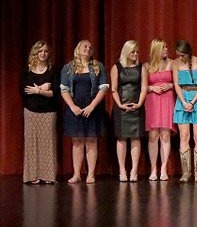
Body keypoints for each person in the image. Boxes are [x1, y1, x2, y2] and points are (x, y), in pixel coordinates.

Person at [60, 40, 108, 184]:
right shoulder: (68, 67)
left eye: (90, 47)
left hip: (93, 108)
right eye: (85, 46)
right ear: (78, 49)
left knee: (92, 141)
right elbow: (64, 89)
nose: (88, 49)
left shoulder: (98, 66)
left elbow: (104, 87)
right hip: (75, 109)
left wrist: (92, 106)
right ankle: (76, 174)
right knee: (77, 142)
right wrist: (72, 106)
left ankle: (91, 174)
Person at [20, 41, 59, 184]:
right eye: (40, 51)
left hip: (48, 111)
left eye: (45, 51)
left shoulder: (52, 71)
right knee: (31, 143)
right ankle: (32, 175)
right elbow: (24, 91)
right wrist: (43, 89)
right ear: (35, 53)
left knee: (47, 143)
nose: (43, 54)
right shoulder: (27, 71)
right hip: (30, 111)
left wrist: (38, 91)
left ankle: (48, 175)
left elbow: (55, 93)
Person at [172, 40, 197, 183]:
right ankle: (186, 172)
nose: (180, 58)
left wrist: (192, 102)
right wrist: (184, 102)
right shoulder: (175, 64)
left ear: (188, 53)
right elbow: (176, 84)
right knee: (184, 136)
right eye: (178, 55)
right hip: (183, 99)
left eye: (182, 55)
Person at [111, 40, 147, 182]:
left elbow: (144, 87)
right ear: (126, 52)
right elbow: (113, 89)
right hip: (121, 108)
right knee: (121, 138)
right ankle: (122, 170)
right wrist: (120, 104)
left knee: (135, 138)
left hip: (136, 107)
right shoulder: (117, 67)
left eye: (137, 51)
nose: (136, 54)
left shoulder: (141, 67)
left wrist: (139, 104)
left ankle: (134, 171)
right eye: (133, 51)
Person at [144, 38, 175, 181]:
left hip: (167, 99)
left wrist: (171, 86)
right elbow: (143, 86)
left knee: (165, 134)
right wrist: (151, 88)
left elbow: (178, 83)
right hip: (153, 100)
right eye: (163, 47)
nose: (167, 50)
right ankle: (153, 169)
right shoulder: (146, 66)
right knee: (153, 135)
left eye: (167, 47)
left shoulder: (172, 63)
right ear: (156, 49)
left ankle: (163, 168)